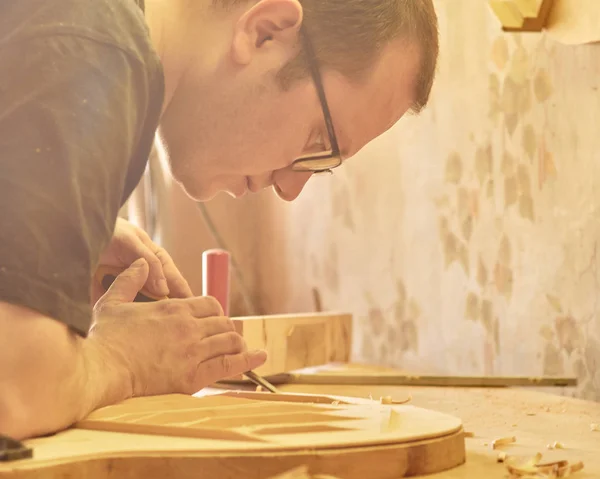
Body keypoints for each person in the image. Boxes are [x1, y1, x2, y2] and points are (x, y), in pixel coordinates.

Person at [0, 0, 439, 440]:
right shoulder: (95, 46)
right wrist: (121, 360)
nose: (291, 188)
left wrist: (61, 225)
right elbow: (14, 391)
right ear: (263, 32)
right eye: (319, 140)